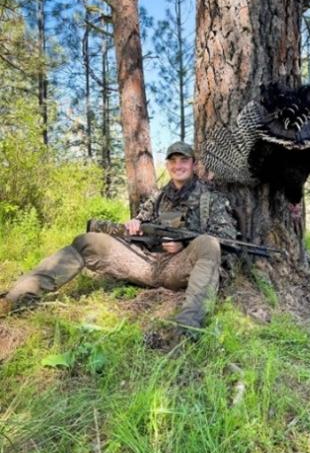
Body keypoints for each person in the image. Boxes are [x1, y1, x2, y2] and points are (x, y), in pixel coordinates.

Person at [0, 142, 237, 340]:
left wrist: (184, 244)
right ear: (168, 165)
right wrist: (133, 224)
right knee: (87, 241)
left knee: (208, 243)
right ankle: (16, 297)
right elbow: (137, 224)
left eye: (184, 161)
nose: (178, 166)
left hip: (179, 268)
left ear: (194, 165)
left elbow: (227, 240)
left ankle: (188, 326)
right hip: (144, 264)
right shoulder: (158, 197)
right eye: (173, 161)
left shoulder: (210, 199)